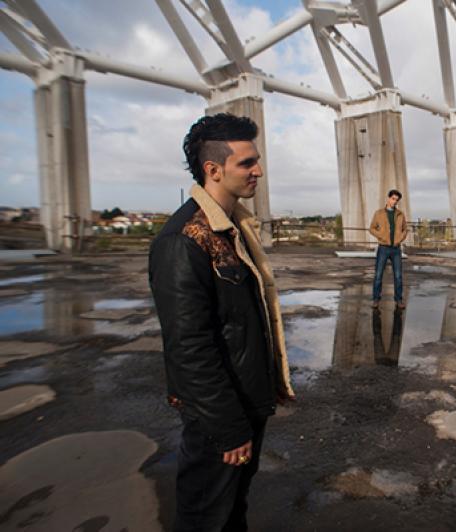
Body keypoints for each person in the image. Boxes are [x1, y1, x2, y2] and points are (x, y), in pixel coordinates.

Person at [149, 113, 294, 531]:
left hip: (244, 403)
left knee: (232, 512)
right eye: (247, 163)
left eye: (257, 160)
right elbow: (190, 348)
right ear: (213, 170)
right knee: (205, 518)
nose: (258, 170)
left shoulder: (232, 226)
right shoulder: (183, 240)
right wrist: (229, 428)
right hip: (219, 418)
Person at [369, 189, 408, 309]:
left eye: (397, 200)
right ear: (388, 198)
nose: (394, 201)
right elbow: (372, 228)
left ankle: (398, 300)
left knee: (398, 276)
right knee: (378, 275)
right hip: (383, 248)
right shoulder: (379, 213)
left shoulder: (400, 214)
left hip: (396, 249)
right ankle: (376, 299)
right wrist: (381, 236)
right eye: (393, 199)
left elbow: (405, 229)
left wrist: (399, 239)